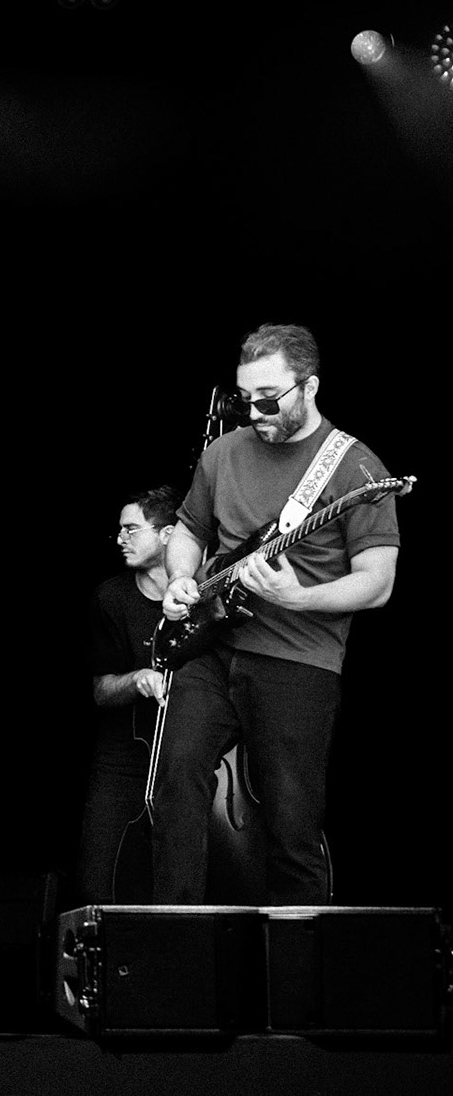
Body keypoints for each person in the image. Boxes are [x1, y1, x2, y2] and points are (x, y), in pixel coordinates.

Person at [154, 324, 401, 904]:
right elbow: (189, 529)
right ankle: (177, 938)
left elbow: (378, 583)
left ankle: (299, 971)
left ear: (309, 387)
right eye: (245, 399)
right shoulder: (224, 452)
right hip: (213, 648)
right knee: (174, 785)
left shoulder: (355, 469)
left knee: (292, 827)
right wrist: (181, 577)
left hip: (298, 663)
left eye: (270, 399)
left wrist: (298, 597)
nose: (255, 412)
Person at [72, 486, 178, 905]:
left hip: (195, 757)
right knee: (98, 879)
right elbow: (100, 691)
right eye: (120, 530)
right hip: (124, 758)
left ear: (168, 534)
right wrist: (138, 679)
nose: (120, 539)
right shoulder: (112, 597)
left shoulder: (205, 590)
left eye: (131, 529)